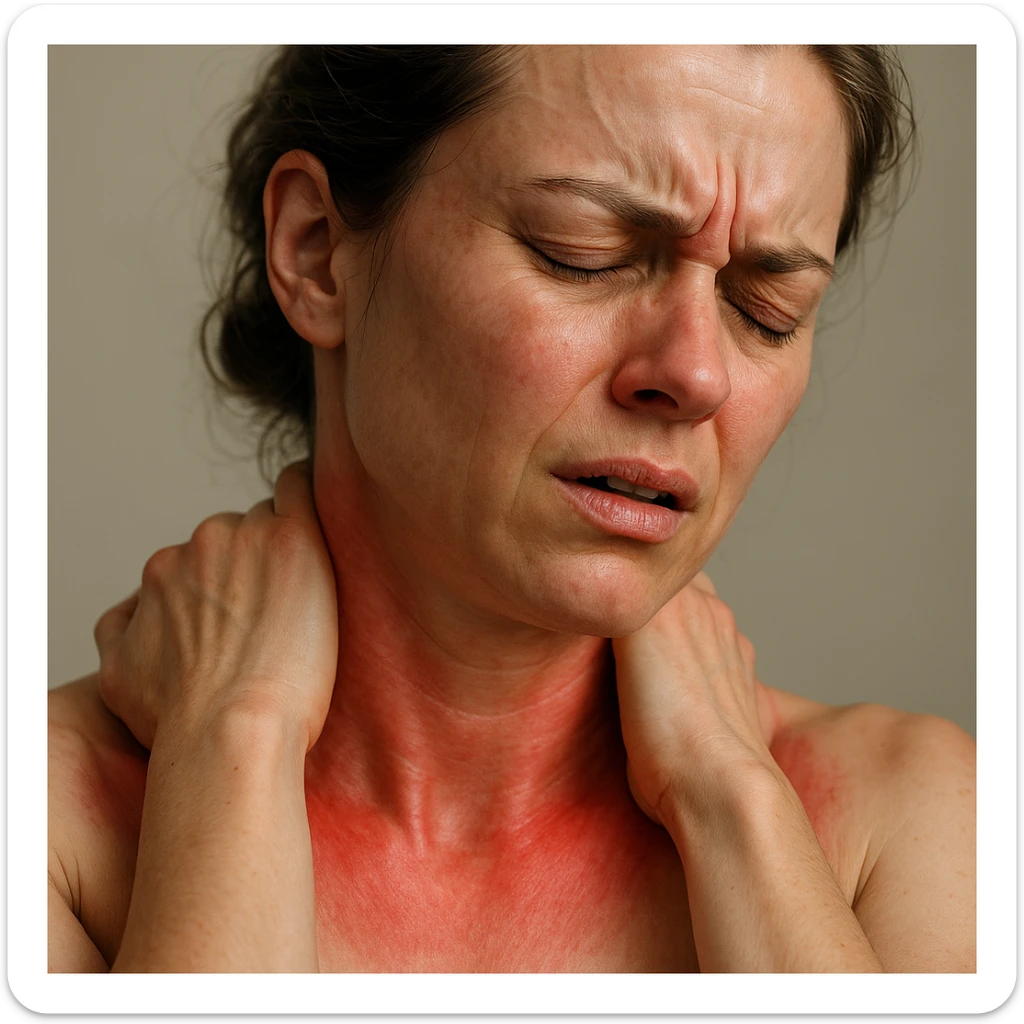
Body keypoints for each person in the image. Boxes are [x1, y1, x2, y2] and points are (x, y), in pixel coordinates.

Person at [47, 44, 975, 973]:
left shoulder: (910, 817)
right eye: (584, 254)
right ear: (318, 252)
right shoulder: (48, 829)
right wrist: (230, 749)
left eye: (769, 308)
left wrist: (734, 799)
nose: (695, 373)